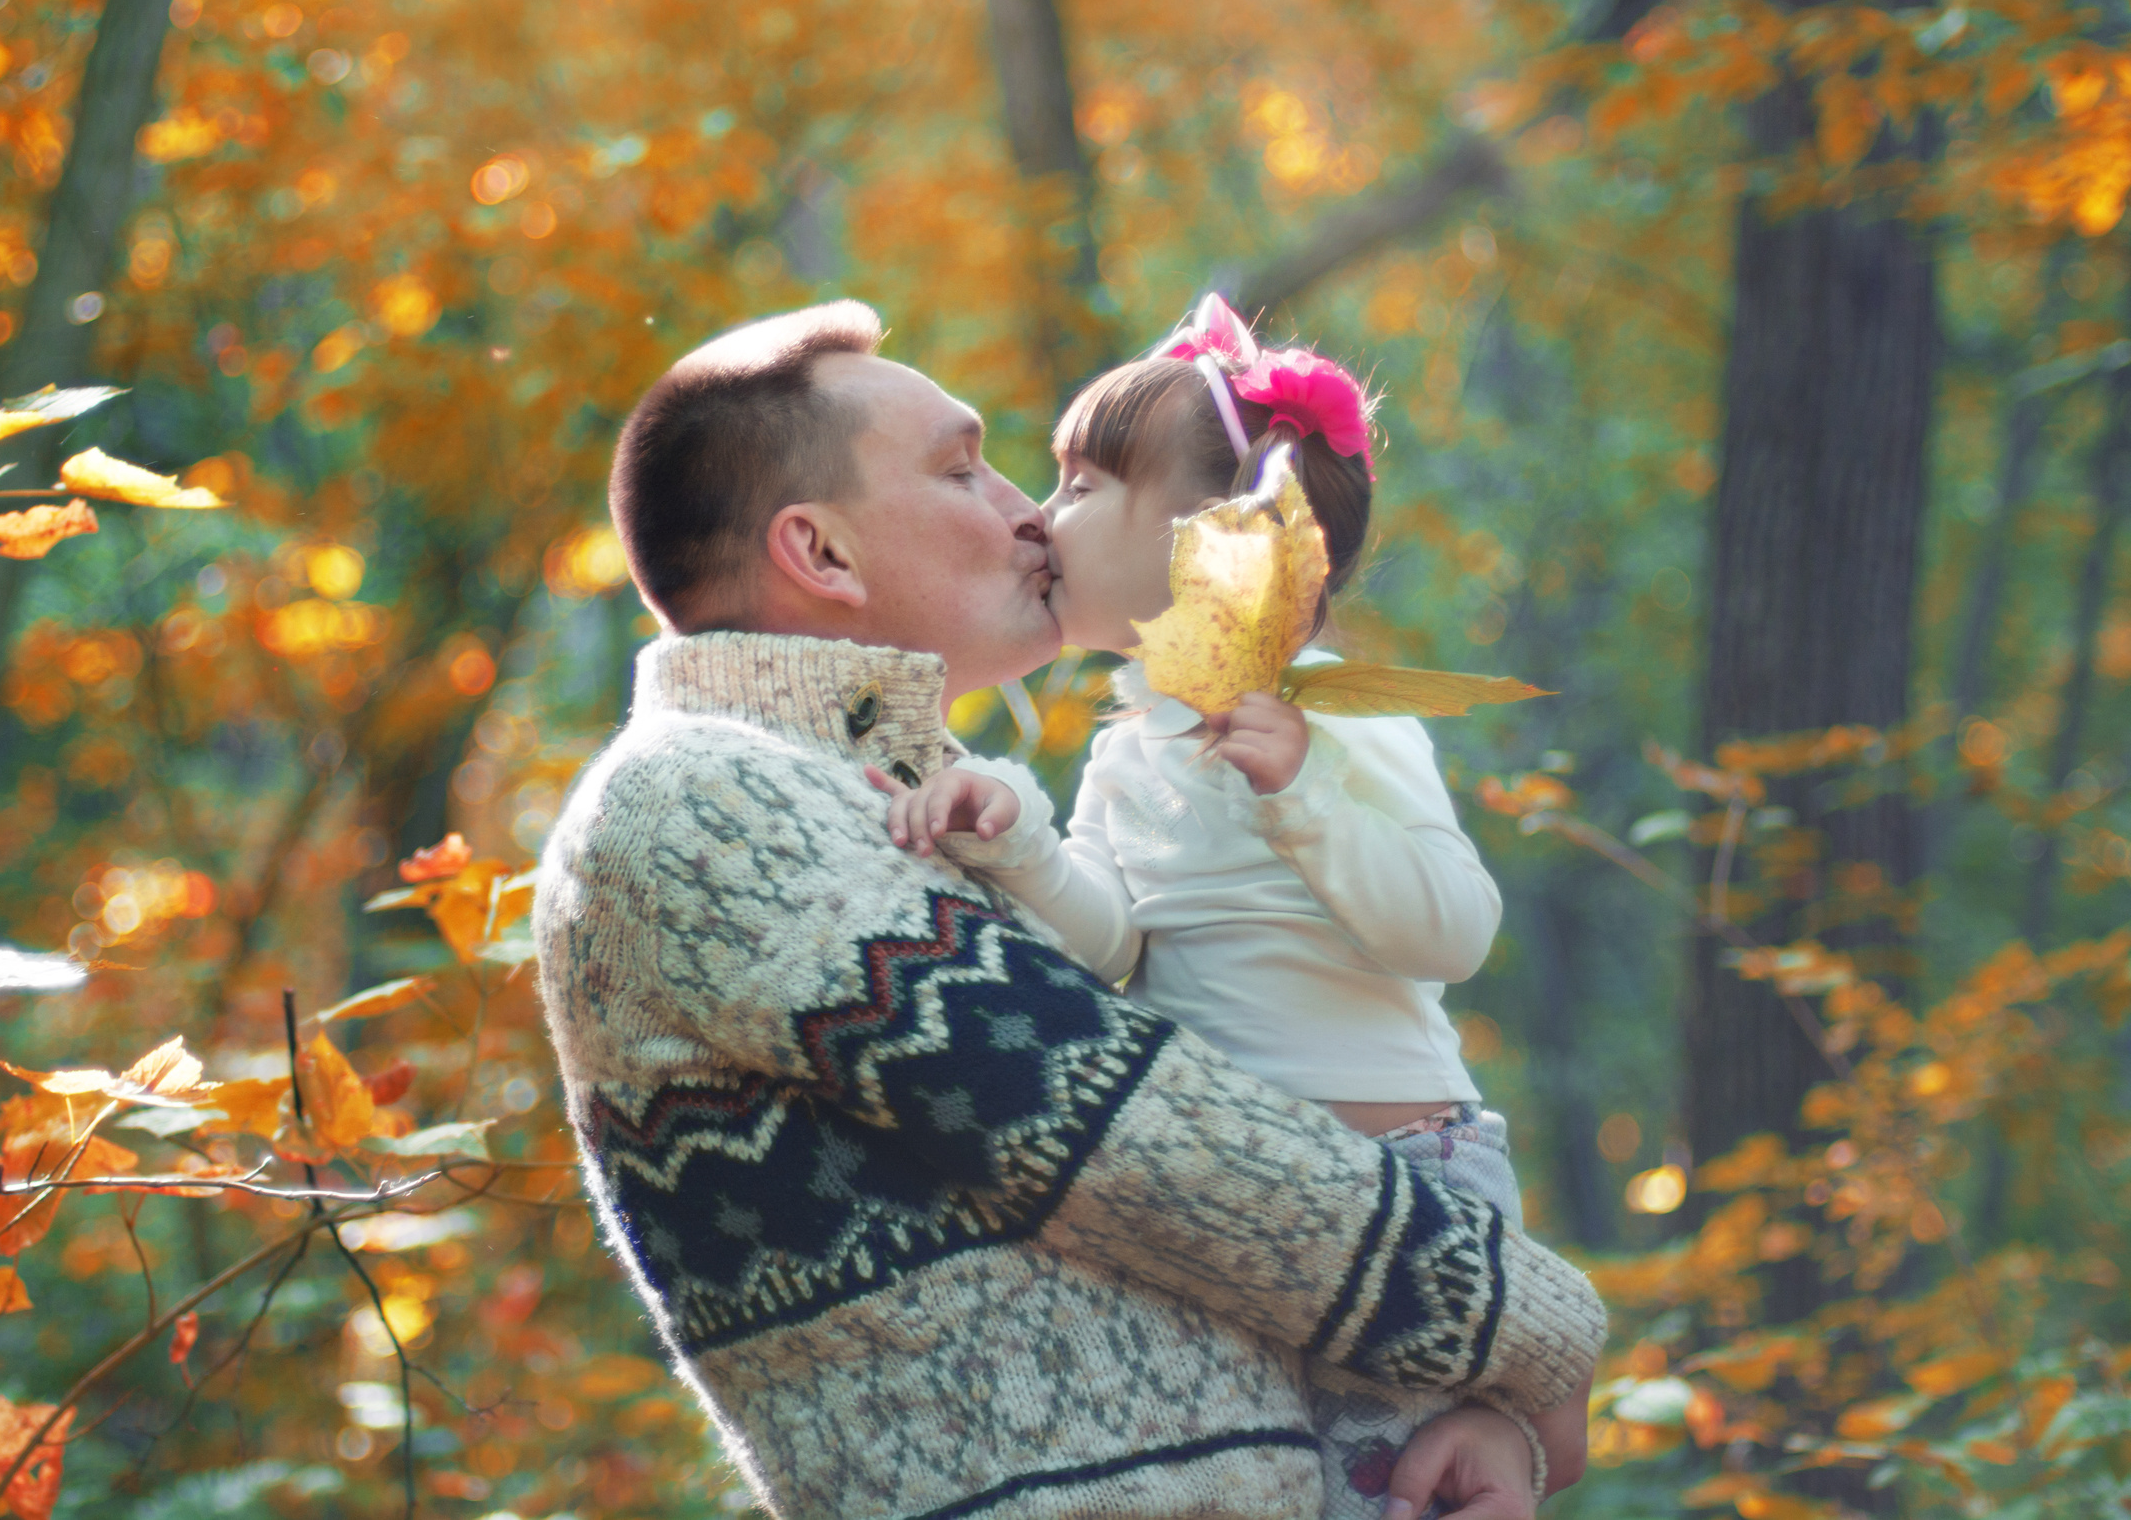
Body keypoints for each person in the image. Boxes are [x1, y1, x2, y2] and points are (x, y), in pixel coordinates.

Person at [531, 301, 1604, 1520]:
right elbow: (1127, 1129)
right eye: (962, 468)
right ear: (820, 554)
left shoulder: (884, 797)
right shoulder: (709, 800)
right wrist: (1532, 1329)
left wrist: (1468, 1410)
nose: (1027, 511)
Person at [873, 293, 1520, 1517]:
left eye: (1078, 485)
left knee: (1389, 1494)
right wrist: (1015, 835)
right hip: (1233, 1193)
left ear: (1213, 536)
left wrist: (1306, 796)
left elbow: (1454, 932)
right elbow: (1117, 944)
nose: (1038, 515)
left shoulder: (1327, 711)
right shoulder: (1130, 747)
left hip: (1396, 1177)